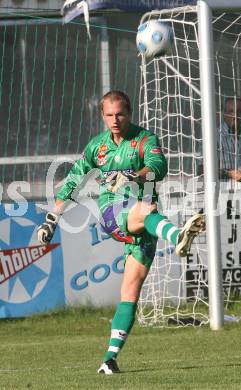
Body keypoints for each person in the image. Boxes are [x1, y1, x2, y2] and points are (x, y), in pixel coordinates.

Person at [37, 90, 205, 375]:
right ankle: (177, 237)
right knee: (147, 209)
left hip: (146, 226)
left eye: (121, 114)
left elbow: (158, 167)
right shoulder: (96, 147)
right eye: (110, 115)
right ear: (103, 115)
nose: (115, 120)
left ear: (130, 113)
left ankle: (108, 359)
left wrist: (132, 175)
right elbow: (73, 183)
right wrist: (52, 218)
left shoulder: (144, 139)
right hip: (114, 214)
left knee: (130, 291)